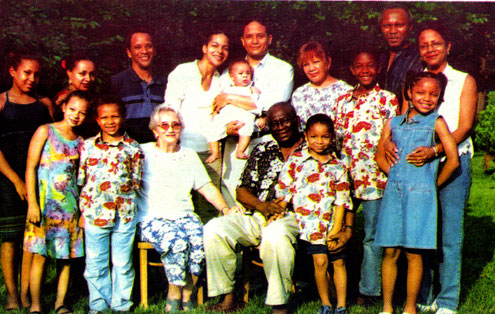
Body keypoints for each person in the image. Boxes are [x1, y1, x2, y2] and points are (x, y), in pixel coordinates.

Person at [387, 22, 477, 314]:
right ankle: (423, 295)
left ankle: (448, 299)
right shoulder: (413, 82)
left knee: (449, 235)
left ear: (448, 46)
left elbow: (464, 125)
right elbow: (401, 120)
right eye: (424, 45)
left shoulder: (464, 80)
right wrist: (388, 144)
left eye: (436, 43)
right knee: (420, 234)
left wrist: (436, 150)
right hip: (414, 170)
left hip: (451, 161)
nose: (430, 49)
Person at [137, 105, 237, 312]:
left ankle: (187, 295)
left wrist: (226, 209)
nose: (170, 129)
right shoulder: (142, 152)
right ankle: (173, 295)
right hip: (152, 217)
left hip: (184, 215)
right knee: (177, 241)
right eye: (164, 125)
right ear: (155, 130)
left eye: (175, 124)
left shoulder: (189, 155)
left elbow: (206, 187)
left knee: (200, 241)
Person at [375, 71, 459, 314]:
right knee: (390, 250)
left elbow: (452, 160)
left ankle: (410, 308)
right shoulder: (392, 123)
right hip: (394, 194)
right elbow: (380, 156)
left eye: (434, 94)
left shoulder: (437, 122)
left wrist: (431, 186)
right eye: (421, 93)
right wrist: (394, 174)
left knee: (414, 253)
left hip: (421, 198)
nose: (427, 98)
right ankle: (387, 308)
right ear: (409, 94)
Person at [333, 48, 399, 305]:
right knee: (338, 230)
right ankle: (334, 287)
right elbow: (336, 140)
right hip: (344, 178)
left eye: (370, 65)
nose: (365, 70)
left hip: (374, 178)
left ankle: (369, 291)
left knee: (371, 235)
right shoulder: (342, 102)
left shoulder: (387, 99)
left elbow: (393, 139)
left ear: (378, 68)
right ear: (351, 69)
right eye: (359, 66)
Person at [275, 114, 352, 314]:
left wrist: (336, 228)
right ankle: (326, 303)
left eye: (325, 137)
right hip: (310, 225)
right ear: (306, 136)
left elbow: (342, 199)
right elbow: (286, 188)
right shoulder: (296, 160)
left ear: (332, 137)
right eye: (314, 137)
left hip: (333, 222)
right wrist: (279, 207)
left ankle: (341, 305)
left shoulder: (338, 166)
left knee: (338, 261)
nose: (320, 142)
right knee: (320, 261)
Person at [23, 91, 90, 314]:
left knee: (66, 259)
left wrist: (81, 212)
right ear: (63, 107)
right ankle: (35, 304)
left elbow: (81, 181)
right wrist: (33, 204)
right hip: (43, 207)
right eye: (72, 109)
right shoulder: (45, 131)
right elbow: (31, 168)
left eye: (82, 113)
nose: (76, 116)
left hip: (69, 210)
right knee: (40, 256)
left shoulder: (81, 143)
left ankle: (60, 303)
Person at [78, 95, 144, 313]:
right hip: (94, 211)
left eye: (114, 116)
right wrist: (82, 211)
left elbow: (136, 181)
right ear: (97, 120)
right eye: (104, 117)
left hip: (124, 213)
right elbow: (81, 179)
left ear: (123, 118)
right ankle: (98, 304)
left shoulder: (133, 148)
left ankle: (121, 304)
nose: (110, 121)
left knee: (123, 262)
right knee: (96, 261)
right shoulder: (87, 146)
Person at [218, 18, 294, 203]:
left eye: (260, 36)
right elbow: (217, 105)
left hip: (266, 140)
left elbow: (271, 107)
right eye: (249, 37)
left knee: (266, 199)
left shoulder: (283, 69)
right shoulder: (228, 72)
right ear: (242, 41)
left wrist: (229, 98)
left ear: (269, 39)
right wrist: (224, 126)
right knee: (233, 199)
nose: (254, 41)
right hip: (235, 144)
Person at [0, 52, 52, 311]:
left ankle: (28, 294)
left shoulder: (43, 105)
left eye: (36, 74)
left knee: (31, 239)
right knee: (10, 239)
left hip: (39, 180)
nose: (31, 79)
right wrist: (16, 181)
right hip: (7, 179)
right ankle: (11, 294)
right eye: (26, 73)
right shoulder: (1, 103)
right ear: (12, 71)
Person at [164, 30, 230, 223]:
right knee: (181, 205)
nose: (219, 51)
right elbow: (169, 111)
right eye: (215, 46)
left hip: (212, 153)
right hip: (182, 150)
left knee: (209, 210)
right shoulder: (183, 72)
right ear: (204, 48)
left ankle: (208, 253)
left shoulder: (223, 80)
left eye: (225, 48)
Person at [110, 28, 165, 143]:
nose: (144, 51)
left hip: (158, 149)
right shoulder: (117, 82)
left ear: (154, 50)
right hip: (128, 150)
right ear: (129, 53)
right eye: (137, 47)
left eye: (148, 46)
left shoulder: (165, 83)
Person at [207, 59, 262, 162]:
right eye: (240, 73)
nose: (245, 76)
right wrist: (215, 112)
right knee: (213, 127)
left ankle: (240, 150)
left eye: (248, 73)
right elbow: (217, 102)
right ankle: (215, 152)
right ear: (232, 77)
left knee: (247, 128)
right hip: (227, 115)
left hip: (244, 114)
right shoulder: (226, 89)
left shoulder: (252, 89)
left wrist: (262, 116)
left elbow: (257, 104)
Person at [291, 41, 352, 130]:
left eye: (315, 62)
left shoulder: (346, 91)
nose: (311, 68)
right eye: (306, 64)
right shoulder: (298, 94)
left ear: (328, 62)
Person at [377, 4, 422, 107]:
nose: (393, 31)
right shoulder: (378, 58)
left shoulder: (419, 58)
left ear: (410, 27)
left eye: (399, 25)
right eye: (387, 26)